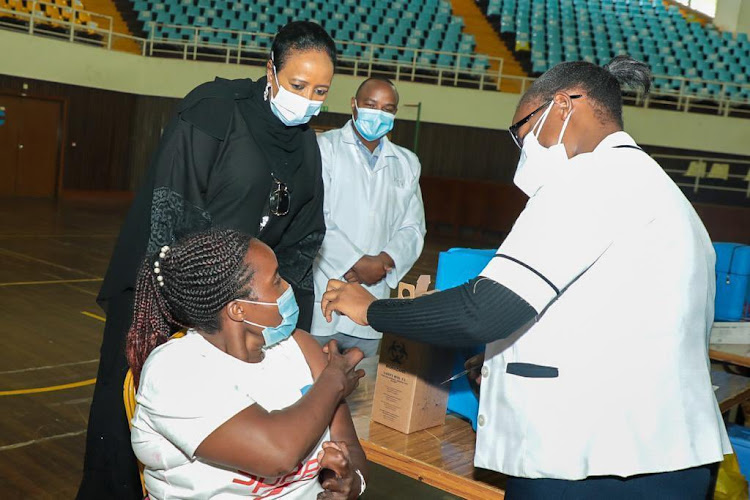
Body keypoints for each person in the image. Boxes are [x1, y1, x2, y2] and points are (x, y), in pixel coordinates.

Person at [320, 56, 731, 498]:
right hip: (677, 460)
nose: (521, 149)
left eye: (521, 133)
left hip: (591, 463)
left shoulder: (584, 181)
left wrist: (373, 309)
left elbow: (484, 309)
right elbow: (619, 321)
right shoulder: (667, 195)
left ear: (562, 107)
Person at [78, 21, 337, 499]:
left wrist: (287, 323)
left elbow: (303, 238)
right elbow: (170, 216)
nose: (308, 99)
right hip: (169, 295)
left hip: (242, 314)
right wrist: (195, 314)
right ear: (270, 71)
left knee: (219, 439)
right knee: (126, 423)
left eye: (321, 90)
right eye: (298, 85)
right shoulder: (214, 111)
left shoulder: (305, 143)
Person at [127, 229, 368, 499]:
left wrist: (352, 483)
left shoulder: (302, 347)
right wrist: (333, 381)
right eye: (276, 280)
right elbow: (278, 454)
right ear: (238, 309)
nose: (289, 287)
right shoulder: (175, 371)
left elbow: (350, 445)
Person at [311, 77, 426, 357]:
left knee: (361, 383)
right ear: (354, 105)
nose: (378, 113)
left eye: (387, 108)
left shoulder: (407, 162)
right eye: (371, 104)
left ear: (395, 114)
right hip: (324, 289)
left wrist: (384, 262)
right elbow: (316, 216)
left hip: (373, 296)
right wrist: (356, 263)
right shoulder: (324, 148)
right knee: (314, 382)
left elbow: (413, 227)